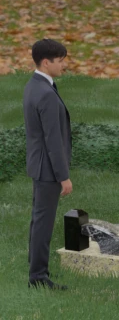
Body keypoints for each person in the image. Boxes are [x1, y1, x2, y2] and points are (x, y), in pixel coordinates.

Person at [23, 39, 72, 290]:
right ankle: (38, 276)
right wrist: (63, 176)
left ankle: (35, 265)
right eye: (60, 60)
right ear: (46, 62)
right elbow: (53, 140)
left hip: (39, 163)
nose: (64, 65)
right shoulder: (46, 94)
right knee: (43, 221)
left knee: (38, 218)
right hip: (48, 169)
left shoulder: (34, 85)